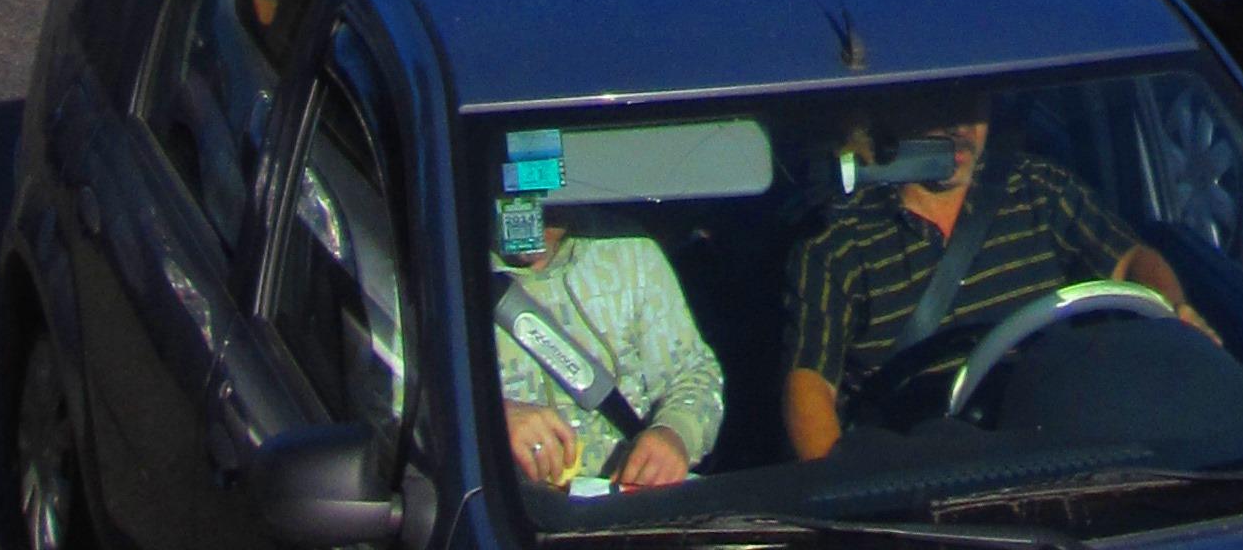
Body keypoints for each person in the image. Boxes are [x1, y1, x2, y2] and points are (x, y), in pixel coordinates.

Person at [783, 113, 1189, 460]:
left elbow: (1132, 260)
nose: (960, 126)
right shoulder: (836, 240)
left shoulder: (1039, 190)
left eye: (971, 105)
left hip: (1061, 454)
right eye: (940, 106)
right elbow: (809, 384)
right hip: (919, 478)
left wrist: (1175, 315)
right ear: (895, 112)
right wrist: (851, 502)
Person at [492, 208, 725, 496]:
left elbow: (693, 373)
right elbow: (422, 404)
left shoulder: (628, 250)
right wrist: (491, 418)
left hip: (630, 509)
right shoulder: (440, 267)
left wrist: (675, 434)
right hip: (507, 516)